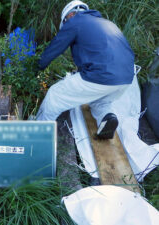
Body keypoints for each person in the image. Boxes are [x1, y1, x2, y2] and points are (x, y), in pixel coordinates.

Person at [36, 0, 135, 139]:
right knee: (101, 102)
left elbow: (54, 48)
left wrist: (37, 66)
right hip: (126, 78)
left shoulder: (75, 21)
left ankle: (38, 134)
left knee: (55, 95)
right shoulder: (107, 23)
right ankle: (108, 119)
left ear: (69, 15)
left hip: (102, 75)